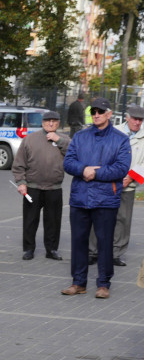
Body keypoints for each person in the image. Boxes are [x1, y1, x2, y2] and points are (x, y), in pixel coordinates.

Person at [62, 97, 131, 299]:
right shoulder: (80, 136)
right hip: (80, 197)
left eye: (101, 111)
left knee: (104, 242)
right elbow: (68, 162)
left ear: (109, 114)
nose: (96, 115)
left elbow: (121, 168)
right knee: (78, 241)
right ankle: (78, 282)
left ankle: (103, 283)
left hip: (106, 198)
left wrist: (96, 173)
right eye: (93, 111)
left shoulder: (120, 139)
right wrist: (84, 169)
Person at [89, 103, 144, 267]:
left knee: (123, 220)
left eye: (141, 120)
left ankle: (115, 253)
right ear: (127, 118)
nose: (138, 122)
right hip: (107, 183)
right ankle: (93, 251)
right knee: (98, 217)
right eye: (135, 119)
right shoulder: (113, 132)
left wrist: (130, 179)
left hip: (129, 185)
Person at [12, 110, 69, 261]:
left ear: (58, 123)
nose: (51, 124)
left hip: (54, 187)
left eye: (54, 121)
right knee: (30, 219)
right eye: (48, 121)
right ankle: (29, 249)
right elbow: (19, 164)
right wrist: (21, 182)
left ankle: (51, 249)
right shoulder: (30, 139)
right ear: (42, 122)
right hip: (32, 187)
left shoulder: (64, 139)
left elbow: (74, 153)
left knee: (53, 221)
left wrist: (60, 141)